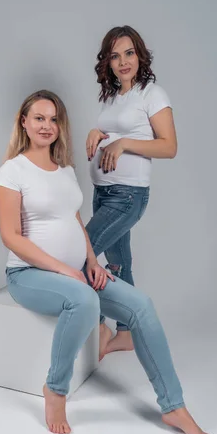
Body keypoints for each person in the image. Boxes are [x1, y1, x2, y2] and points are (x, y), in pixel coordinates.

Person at [0, 89, 215, 434]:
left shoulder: (64, 168)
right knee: (84, 300)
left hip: (76, 272)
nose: (47, 125)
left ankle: (174, 406)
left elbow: (76, 220)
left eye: (53, 119)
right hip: (28, 275)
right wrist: (64, 271)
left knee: (141, 306)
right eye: (39, 118)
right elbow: (11, 237)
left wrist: (92, 262)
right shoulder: (12, 170)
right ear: (24, 122)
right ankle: (55, 389)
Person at [85, 26, 177, 359]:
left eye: (129, 53)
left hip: (127, 196)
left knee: (83, 256)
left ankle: (99, 326)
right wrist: (98, 131)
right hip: (104, 192)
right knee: (119, 264)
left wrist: (123, 143)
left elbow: (169, 146)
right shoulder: (112, 96)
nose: (123, 62)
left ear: (140, 55)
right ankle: (127, 333)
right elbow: (115, 127)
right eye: (115, 55)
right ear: (106, 62)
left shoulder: (153, 94)